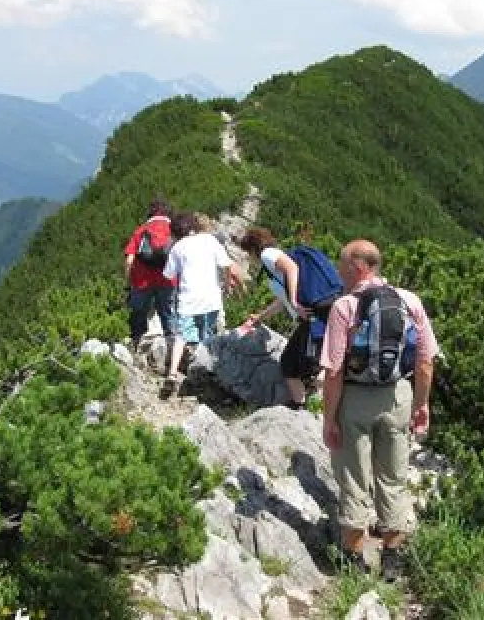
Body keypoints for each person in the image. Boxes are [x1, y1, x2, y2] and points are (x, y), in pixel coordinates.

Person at [318, 239, 439, 581]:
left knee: (354, 478)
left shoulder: (345, 307)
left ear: (359, 267)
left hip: (355, 399)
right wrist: (421, 404)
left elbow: (334, 371)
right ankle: (393, 559)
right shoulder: (409, 301)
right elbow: (426, 361)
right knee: (393, 478)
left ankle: (353, 559)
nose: (338, 272)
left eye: (342, 265)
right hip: (397, 396)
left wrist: (330, 418)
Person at [235, 227, 339, 410]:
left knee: (298, 363)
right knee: (294, 362)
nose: (249, 259)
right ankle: (301, 403)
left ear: (252, 249)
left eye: (247, 254)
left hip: (312, 313)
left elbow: (292, 269)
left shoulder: (268, 255)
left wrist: (295, 301)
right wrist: (260, 317)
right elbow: (281, 301)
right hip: (313, 312)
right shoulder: (274, 265)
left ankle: (308, 404)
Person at [162, 211, 243, 388]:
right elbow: (227, 264)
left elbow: (168, 274)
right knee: (207, 335)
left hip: (187, 300)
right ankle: (208, 373)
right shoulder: (209, 240)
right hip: (211, 299)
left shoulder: (178, 247)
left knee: (181, 337)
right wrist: (228, 284)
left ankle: (173, 373)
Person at [123, 199, 177, 351]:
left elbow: (129, 260)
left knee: (139, 313)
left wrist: (129, 282)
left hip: (141, 281)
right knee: (167, 314)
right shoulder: (173, 230)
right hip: (168, 280)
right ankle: (172, 347)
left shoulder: (141, 230)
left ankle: (137, 344)